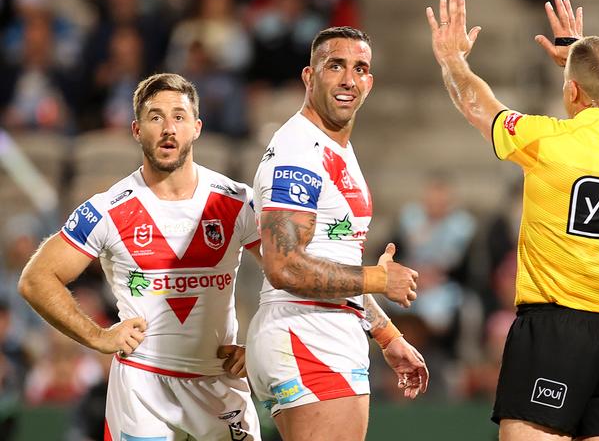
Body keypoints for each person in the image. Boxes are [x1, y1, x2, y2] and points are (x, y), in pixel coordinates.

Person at [426, 0, 599, 440]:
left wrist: (453, 60)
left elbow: (478, 106)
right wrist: (581, 57)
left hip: (555, 334)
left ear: (571, 90)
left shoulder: (549, 142)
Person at [18, 73, 262, 440]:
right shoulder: (108, 209)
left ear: (197, 127)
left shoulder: (238, 201)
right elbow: (36, 279)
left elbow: (286, 273)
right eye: (155, 117)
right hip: (142, 387)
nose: (168, 128)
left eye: (179, 116)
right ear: (136, 130)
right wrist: (98, 337)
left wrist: (258, 342)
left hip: (219, 383)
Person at [245, 26, 429, 441]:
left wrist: (385, 333)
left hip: (317, 330)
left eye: (360, 68)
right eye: (335, 66)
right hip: (308, 333)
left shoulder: (332, 145)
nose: (349, 79)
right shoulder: (298, 152)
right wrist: (379, 279)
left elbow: (331, 256)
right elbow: (284, 265)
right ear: (309, 77)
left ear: (370, 82)